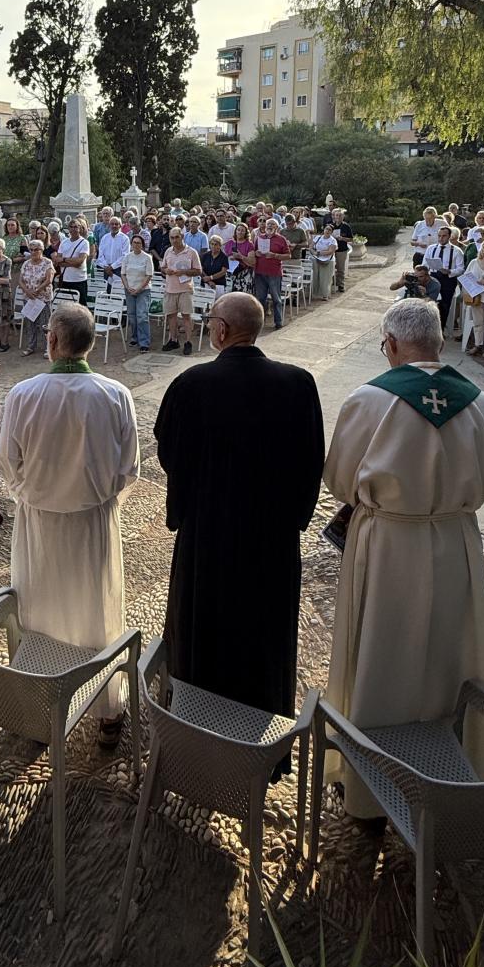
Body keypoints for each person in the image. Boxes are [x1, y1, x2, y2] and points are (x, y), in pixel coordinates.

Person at [323, 299, 484, 815]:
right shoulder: (482, 403)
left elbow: (340, 480)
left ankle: (372, 778)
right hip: (456, 540)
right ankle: (446, 762)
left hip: (388, 541)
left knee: (382, 646)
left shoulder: (369, 399)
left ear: (392, 344)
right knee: (449, 647)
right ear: (439, 342)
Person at [156, 292, 323, 734]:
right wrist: (294, 518)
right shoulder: (299, 384)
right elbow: (311, 463)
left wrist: (186, 506)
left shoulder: (191, 384)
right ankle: (261, 737)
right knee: (264, 636)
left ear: (222, 329)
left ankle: (197, 733)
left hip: (207, 535)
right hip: (272, 539)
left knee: (203, 632)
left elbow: (171, 455)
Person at [0, 304, 139, 741]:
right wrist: (99, 500)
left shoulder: (23, 394)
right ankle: (106, 709)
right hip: (93, 523)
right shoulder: (115, 394)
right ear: (91, 344)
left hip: (38, 523)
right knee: (96, 610)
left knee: (38, 607)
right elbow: (129, 468)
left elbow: (8, 462)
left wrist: (33, 495)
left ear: (53, 341)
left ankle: (39, 705)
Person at [159, 227, 202, 355]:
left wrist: (183, 272)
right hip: (170, 288)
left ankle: (188, 342)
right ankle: (174, 340)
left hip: (185, 289)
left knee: (186, 316)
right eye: (172, 238)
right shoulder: (168, 251)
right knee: (171, 316)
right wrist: (166, 270)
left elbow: (198, 271)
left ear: (182, 237)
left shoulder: (191, 252)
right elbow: (163, 267)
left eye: (176, 237)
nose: (174, 240)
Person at [422, 225, 464, 330]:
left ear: (449, 236)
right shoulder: (431, 248)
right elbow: (424, 264)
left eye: (444, 236)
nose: (441, 238)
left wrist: (450, 271)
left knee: (445, 305)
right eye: (439, 236)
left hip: (448, 279)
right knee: (429, 303)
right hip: (432, 278)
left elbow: (461, 268)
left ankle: (441, 329)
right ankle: (428, 328)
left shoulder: (456, 251)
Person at [18, 238, 55, 357]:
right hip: (29, 298)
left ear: (42, 250)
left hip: (43, 298)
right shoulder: (26, 263)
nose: (34, 252)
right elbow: (20, 281)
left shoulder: (47, 262)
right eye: (31, 250)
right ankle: (30, 346)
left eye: (36, 249)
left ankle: (48, 348)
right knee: (30, 323)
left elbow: (49, 280)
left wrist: (37, 291)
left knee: (45, 324)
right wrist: (28, 291)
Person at [253, 217, 292, 330]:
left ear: (277, 227)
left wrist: (275, 255)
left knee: (276, 299)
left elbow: (288, 255)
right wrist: (256, 253)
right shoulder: (259, 238)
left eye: (272, 224)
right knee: (260, 299)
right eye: (268, 224)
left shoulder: (281, 239)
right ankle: (261, 322)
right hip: (260, 272)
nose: (269, 226)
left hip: (274, 273)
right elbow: (253, 252)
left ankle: (278, 322)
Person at [121, 232, 154, 353]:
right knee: (132, 316)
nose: (136, 245)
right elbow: (123, 274)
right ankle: (135, 337)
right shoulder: (127, 257)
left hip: (143, 290)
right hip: (129, 290)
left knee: (142, 316)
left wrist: (139, 288)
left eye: (139, 243)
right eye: (134, 242)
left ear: (142, 245)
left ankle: (144, 342)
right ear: (131, 244)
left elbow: (148, 275)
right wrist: (127, 287)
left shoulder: (147, 258)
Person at [55, 218, 90, 305]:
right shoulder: (64, 242)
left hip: (79, 280)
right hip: (65, 279)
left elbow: (79, 262)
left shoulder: (84, 242)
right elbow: (58, 261)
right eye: (71, 227)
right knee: (66, 306)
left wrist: (64, 259)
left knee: (81, 306)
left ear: (80, 228)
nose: (73, 229)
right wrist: (73, 262)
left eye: (76, 227)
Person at [95, 215, 130, 288]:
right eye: (112, 224)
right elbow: (100, 255)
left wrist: (112, 267)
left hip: (119, 269)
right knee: (107, 290)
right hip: (106, 269)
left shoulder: (125, 239)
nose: (114, 226)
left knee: (118, 290)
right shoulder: (105, 238)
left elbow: (125, 256)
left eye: (116, 224)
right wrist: (106, 267)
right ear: (109, 225)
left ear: (120, 226)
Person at [224, 223, 256, 295]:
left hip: (244, 274)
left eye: (242, 230)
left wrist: (241, 256)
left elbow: (252, 262)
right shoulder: (229, 243)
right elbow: (224, 257)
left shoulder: (249, 244)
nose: (240, 232)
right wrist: (229, 258)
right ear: (235, 231)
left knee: (243, 297)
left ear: (246, 233)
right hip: (230, 273)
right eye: (238, 230)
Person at [330, 208, 353, 292]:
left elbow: (351, 239)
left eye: (340, 215)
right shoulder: (331, 226)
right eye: (337, 215)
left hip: (341, 250)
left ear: (343, 217)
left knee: (340, 268)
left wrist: (342, 238)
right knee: (331, 267)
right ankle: (332, 283)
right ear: (334, 216)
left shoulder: (346, 226)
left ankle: (341, 285)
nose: (338, 217)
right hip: (331, 250)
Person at [2, 217, 25, 298]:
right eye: (8, 225)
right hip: (4, 269)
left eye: (12, 225)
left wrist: (12, 260)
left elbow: (24, 255)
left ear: (17, 226)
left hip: (16, 270)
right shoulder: (4, 238)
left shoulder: (22, 238)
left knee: (13, 294)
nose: (10, 227)